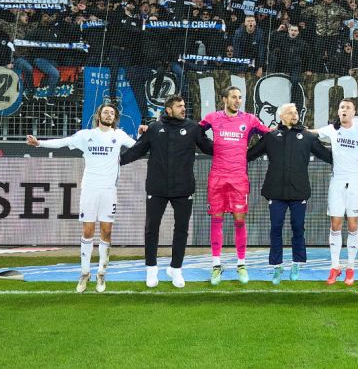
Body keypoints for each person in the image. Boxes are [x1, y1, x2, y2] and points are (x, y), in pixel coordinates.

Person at [26, 104, 136, 293]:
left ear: (115, 117)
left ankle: (102, 273)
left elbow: (139, 147)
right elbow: (62, 142)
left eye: (112, 113)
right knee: (88, 230)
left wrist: (144, 134)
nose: (109, 114)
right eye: (106, 112)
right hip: (90, 189)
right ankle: (85, 273)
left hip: (109, 190)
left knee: (106, 231)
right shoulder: (86, 135)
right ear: (99, 115)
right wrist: (39, 143)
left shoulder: (119, 135)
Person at [119, 95, 213, 288]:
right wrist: (115, 163)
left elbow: (210, 148)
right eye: (179, 106)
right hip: (157, 187)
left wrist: (231, 146)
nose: (183, 108)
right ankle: (151, 270)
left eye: (184, 105)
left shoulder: (193, 128)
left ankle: (176, 269)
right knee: (151, 229)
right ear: (168, 109)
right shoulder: (154, 128)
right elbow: (137, 150)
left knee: (181, 230)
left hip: (183, 188)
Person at [247, 103, 332, 285]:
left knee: (298, 228)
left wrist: (347, 155)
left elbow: (327, 156)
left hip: (299, 192)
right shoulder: (270, 136)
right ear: (282, 116)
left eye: (295, 112)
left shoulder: (308, 136)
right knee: (275, 229)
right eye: (291, 112)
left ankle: (296, 263)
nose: (295, 115)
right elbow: (249, 155)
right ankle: (277, 267)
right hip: (275, 192)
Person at [196, 87, 269, 285]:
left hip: (238, 178)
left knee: (239, 220)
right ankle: (216, 265)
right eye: (234, 97)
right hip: (217, 177)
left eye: (240, 98)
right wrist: (211, 149)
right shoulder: (212, 118)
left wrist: (250, 154)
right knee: (216, 220)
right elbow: (195, 132)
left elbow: (268, 136)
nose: (237, 101)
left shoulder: (250, 119)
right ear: (224, 99)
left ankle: (241, 264)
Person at [313, 98, 358, 285]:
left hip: (355, 181)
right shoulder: (332, 129)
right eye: (341, 107)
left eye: (348, 107)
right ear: (338, 112)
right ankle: (335, 266)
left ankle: (351, 268)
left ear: (354, 112)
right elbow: (312, 133)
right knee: (336, 224)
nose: (344, 110)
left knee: (353, 224)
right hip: (337, 181)